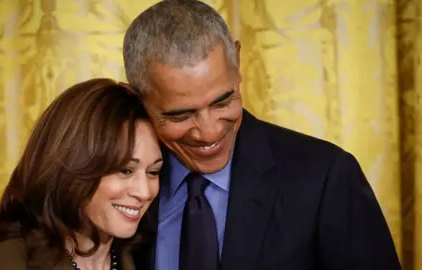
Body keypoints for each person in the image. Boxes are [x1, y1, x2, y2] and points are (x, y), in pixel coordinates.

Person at [123, 1, 401, 269]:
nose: (209, 132)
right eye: (180, 115)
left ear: (237, 61)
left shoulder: (326, 177)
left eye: (223, 100)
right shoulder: (115, 184)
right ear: (137, 98)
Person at [0, 78, 163, 270]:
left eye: (153, 172)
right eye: (125, 170)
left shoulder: (148, 260)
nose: (144, 192)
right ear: (73, 166)